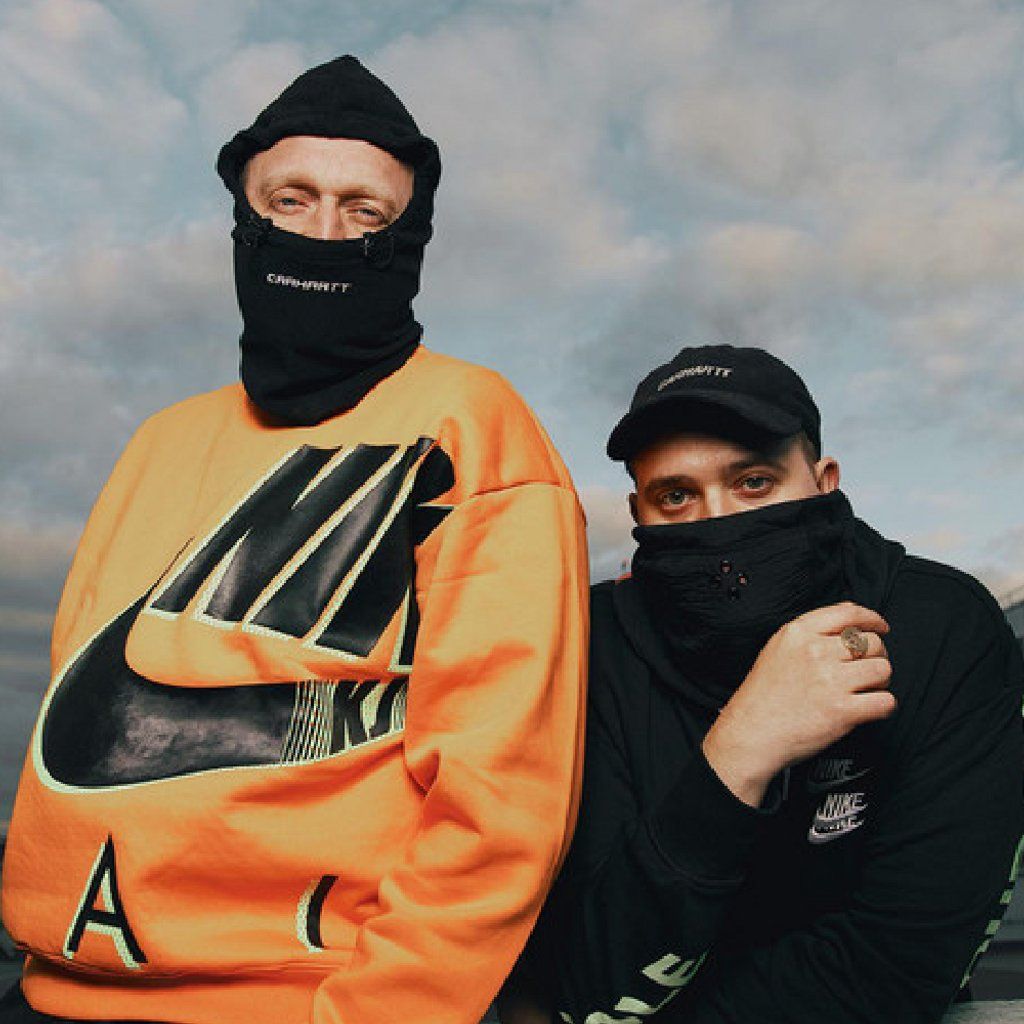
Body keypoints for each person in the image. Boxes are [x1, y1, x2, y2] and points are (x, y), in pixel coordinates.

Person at [0, 56, 588, 1024]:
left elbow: (503, 795)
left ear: (410, 238)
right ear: (244, 217)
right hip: (54, 988)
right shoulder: (160, 438)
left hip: (301, 1002)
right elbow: (76, 683)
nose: (321, 232)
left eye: (364, 212)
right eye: (290, 200)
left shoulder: (469, 422)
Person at [501, 344, 1024, 1024]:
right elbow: (582, 974)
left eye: (754, 482)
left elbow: (900, 965)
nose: (718, 521)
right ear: (638, 512)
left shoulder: (941, 626)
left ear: (824, 482)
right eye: (676, 496)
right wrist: (738, 754)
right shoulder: (589, 643)